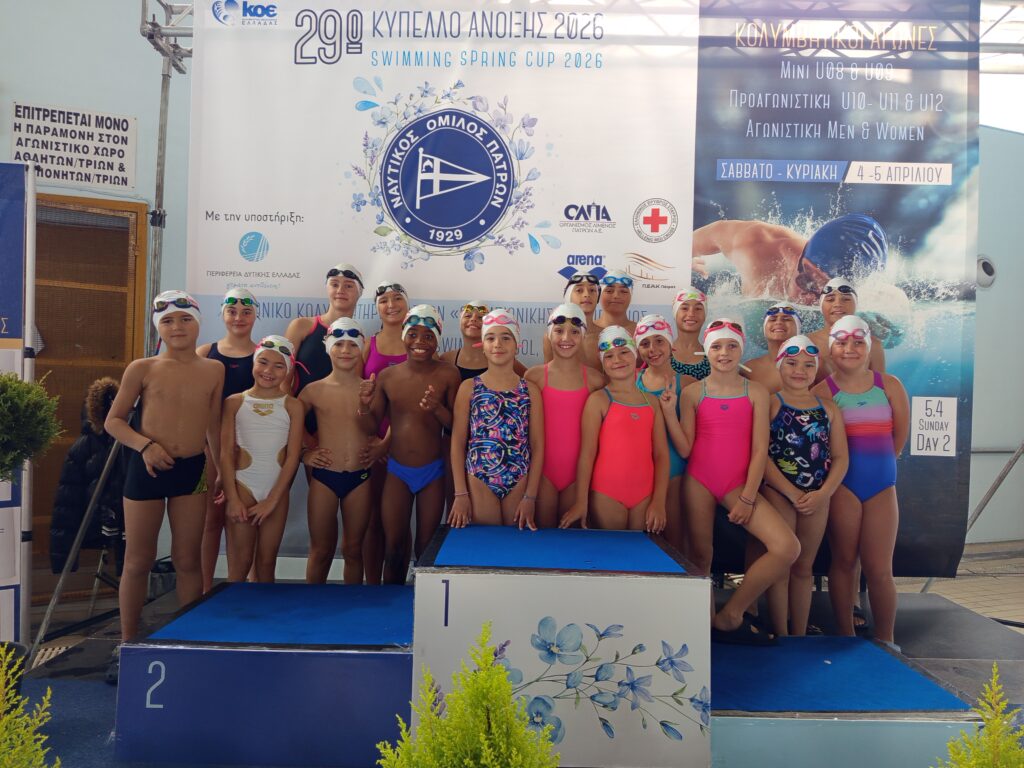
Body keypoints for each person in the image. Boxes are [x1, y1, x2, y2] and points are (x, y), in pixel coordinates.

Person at [104, 291, 224, 658]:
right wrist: (145, 446)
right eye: (168, 321)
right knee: (138, 560)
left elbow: (213, 425)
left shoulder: (213, 370)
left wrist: (220, 469)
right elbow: (113, 421)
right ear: (159, 327)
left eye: (185, 319)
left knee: (187, 560)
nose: (177, 327)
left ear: (198, 323)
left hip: (192, 471)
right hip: (147, 469)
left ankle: (189, 641)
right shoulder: (142, 368)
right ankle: (128, 641)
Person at [680, 319, 800, 645]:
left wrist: (748, 497)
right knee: (701, 557)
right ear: (707, 351)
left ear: (741, 350)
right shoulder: (692, 393)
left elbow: (760, 449)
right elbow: (687, 447)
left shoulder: (756, 392)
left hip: (738, 484)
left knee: (787, 547)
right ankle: (704, 627)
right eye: (717, 346)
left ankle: (732, 613)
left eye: (732, 346)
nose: (724, 352)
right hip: (699, 481)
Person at [813, 315, 908, 646]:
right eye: (841, 343)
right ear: (830, 350)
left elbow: (898, 440)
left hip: (881, 486)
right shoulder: (822, 392)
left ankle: (886, 640)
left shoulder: (890, 386)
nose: (849, 349)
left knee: (880, 568)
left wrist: (881, 469)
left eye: (857, 342)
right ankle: (845, 635)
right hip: (844, 487)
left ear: (869, 348)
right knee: (843, 561)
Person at [760, 335, 849, 636]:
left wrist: (824, 493)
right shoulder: (771, 403)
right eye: (792, 363)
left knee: (803, 568)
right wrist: (791, 492)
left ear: (817, 369)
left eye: (808, 365)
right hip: (779, 492)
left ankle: (798, 635)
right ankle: (781, 634)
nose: (800, 370)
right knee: (782, 566)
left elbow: (841, 457)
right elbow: (761, 456)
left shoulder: (829, 408)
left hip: (817, 496)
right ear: (779, 365)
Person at [367, 304, 461, 583]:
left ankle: (424, 600)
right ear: (404, 337)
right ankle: (390, 600)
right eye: (413, 334)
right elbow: (370, 426)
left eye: (428, 336)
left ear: (437, 341)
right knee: (394, 547)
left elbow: (456, 426)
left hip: (433, 472)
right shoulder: (388, 377)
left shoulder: (449, 374)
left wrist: (437, 409)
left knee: (426, 547)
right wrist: (363, 405)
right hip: (397, 471)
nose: (420, 341)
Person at [560, 326, 668, 533]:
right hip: (606, 494)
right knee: (611, 551)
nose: (617, 360)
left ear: (635, 355)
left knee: (639, 551)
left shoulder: (652, 402)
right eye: (609, 356)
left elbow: (661, 455)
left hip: (645, 495)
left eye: (624, 352)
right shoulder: (599, 400)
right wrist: (581, 501)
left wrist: (659, 502)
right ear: (603, 363)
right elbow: (587, 454)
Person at [298, 318, 378, 584]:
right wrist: (305, 453)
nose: (345, 350)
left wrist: (365, 406)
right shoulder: (313, 390)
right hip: (324, 477)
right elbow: (289, 423)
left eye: (352, 345)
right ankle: (315, 603)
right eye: (339, 344)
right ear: (328, 347)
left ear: (361, 348)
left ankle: (351, 604)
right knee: (320, 550)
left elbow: (376, 426)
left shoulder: (369, 389)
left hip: (359, 477)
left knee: (354, 550)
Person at [219, 336, 304, 583]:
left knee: (267, 563)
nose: (269, 371)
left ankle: (265, 610)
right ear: (253, 363)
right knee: (240, 563)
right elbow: (226, 453)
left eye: (279, 366)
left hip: (276, 492)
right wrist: (233, 499)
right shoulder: (234, 402)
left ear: (288, 370)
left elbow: (293, 456)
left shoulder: (293, 406)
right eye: (263, 362)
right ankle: (233, 608)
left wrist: (273, 500)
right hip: (242, 488)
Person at [449, 309, 543, 530]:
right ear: (482, 345)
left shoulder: (530, 390)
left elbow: (538, 445)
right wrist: (460, 493)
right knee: (487, 544)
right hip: (480, 477)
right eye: (490, 338)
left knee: (514, 546)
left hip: (519, 477)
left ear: (517, 345)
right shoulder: (469, 388)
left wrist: (530, 496)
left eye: (506, 338)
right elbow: (458, 442)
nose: (498, 344)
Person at [196, 287, 258, 592]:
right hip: (211, 447)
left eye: (246, 312)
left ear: (255, 316)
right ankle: (204, 590)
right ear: (222, 314)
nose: (238, 318)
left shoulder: (263, 355)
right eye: (232, 312)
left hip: (250, 451)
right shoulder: (205, 353)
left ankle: (246, 589)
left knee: (246, 520)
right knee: (211, 520)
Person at [525, 304, 605, 528]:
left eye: (574, 332)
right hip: (543, 474)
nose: (566, 338)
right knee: (543, 540)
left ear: (583, 336)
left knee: (573, 543)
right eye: (559, 331)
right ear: (549, 335)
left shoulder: (596, 380)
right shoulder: (534, 377)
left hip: (578, 477)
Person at [691, 214, 888, 305]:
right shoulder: (756, 245)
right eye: (808, 282)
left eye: (825, 294)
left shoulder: (856, 300)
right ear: (802, 257)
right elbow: (711, 233)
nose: (809, 298)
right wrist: (682, 257)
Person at [360, 280, 410, 585]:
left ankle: (397, 587)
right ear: (376, 308)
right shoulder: (368, 345)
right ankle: (371, 586)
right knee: (372, 520)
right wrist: (372, 440)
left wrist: (388, 442)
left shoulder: (418, 343)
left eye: (397, 298)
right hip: (372, 443)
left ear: (407, 304)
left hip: (404, 445)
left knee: (399, 523)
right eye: (384, 300)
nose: (391, 305)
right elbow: (356, 395)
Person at [50, 377, 125, 576]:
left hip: (124, 522)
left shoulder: (130, 444)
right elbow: (66, 505)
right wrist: (63, 560)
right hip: (96, 522)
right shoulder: (83, 448)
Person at [635, 314, 695, 554]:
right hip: (640, 475)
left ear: (671, 345)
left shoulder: (688, 384)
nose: (653, 349)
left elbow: (685, 449)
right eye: (645, 343)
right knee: (640, 550)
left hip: (674, 475)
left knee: (674, 549)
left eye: (659, 341)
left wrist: (669, 412)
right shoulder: (630, 382)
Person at [284, 263, 363, 395]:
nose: (340, 290)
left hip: (337, 408)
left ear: (359, 292)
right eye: (334, 284)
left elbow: (354, 387)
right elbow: (283, 382)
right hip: (300, 406)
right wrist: (292, 408)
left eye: (348, 286)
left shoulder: (357, 337)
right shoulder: (301, 326)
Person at [808, 278, 885, 381]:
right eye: (830, 300)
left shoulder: (874, 345)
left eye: (846, 299)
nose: (838, 304)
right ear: (821, 306)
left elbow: (880, 387)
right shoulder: (807, 343)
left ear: (856, 304)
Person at [543, 272, 603, 369]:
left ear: (598, 297)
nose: (587, 295)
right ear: (568, 295)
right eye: (579, 290)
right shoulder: (551, 337)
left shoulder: (604, 336)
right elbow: (547, 374)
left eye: (592, 290)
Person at [745, 302, 804, 394]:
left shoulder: (813, 366)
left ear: (798, 328)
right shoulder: (749, 368)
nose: (778, 322)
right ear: (764, 329)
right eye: (772, 319)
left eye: (786, 319)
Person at [670, 287, 712, 380]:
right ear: (675, 313)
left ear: (705, 315)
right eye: (685, 308)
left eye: (698, 308)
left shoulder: (713, 356)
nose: (691, 314)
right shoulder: (660, 353)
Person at [593, 269, 637, 336]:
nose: (616, 296)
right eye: (609, 291)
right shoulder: (585, 331)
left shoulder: (640, 332)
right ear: (599, 295)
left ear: (630, 296)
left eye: (623, 291)